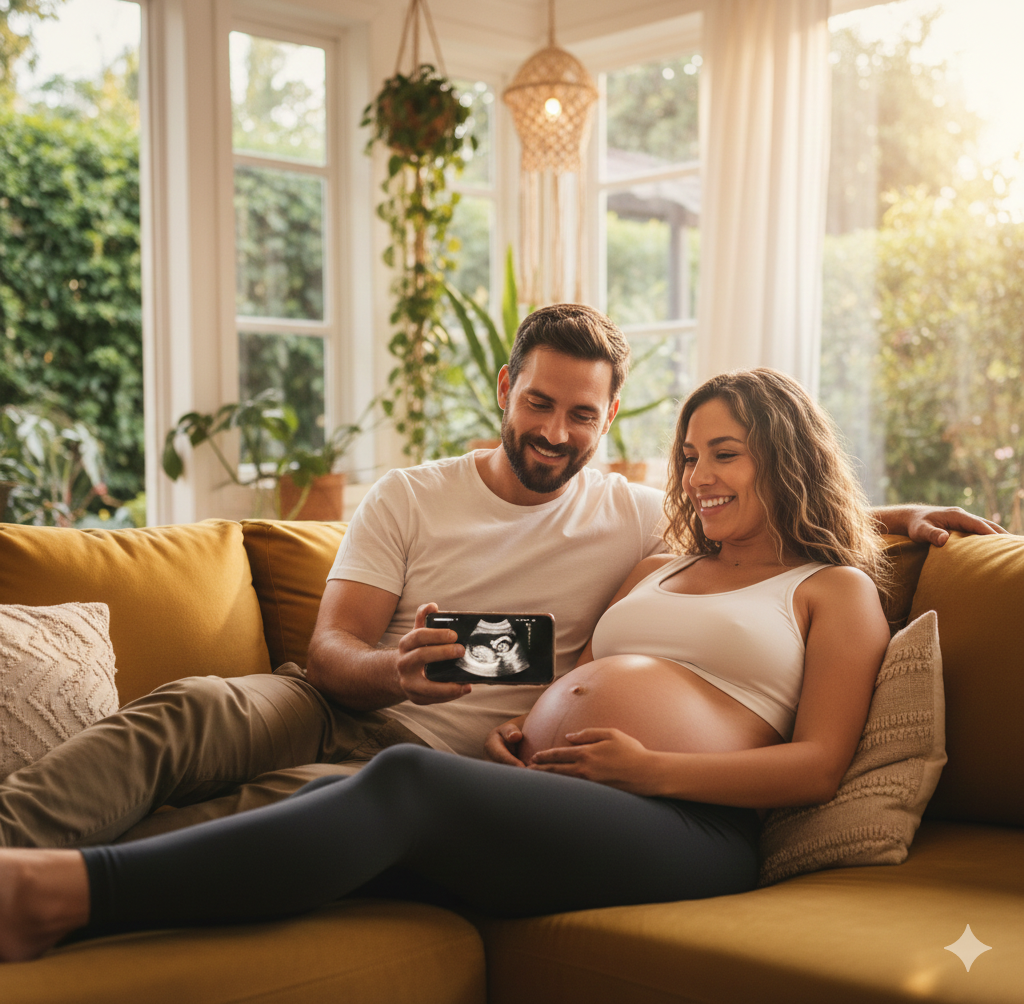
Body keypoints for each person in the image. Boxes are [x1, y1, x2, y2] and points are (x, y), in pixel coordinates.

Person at [0, 306, 1002, 852]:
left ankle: (70, 878)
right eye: (540, 402)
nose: (556, 431)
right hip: (335, 703)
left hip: (471, 761)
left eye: (582, 416)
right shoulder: (410, 495)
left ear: (607, 425)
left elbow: (765, 517)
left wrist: (895, 518)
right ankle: (16, 840)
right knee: (188, 713)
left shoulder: (629, 513)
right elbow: (328, 649)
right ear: (504, 392)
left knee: (280, 799)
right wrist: (396, 667)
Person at [0, 366, 911, 959]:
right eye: (689, 456)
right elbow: (580, 676)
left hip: (689, 825)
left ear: (784, 460)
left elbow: (818, 766)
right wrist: (527, 723)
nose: (700, 476)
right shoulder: (660, 560)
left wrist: (652, 766)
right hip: (567, 794)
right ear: (508, 394)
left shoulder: (833, 591)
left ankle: (70, 895)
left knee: (409, 782)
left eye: (726, 455)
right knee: (319, 791)